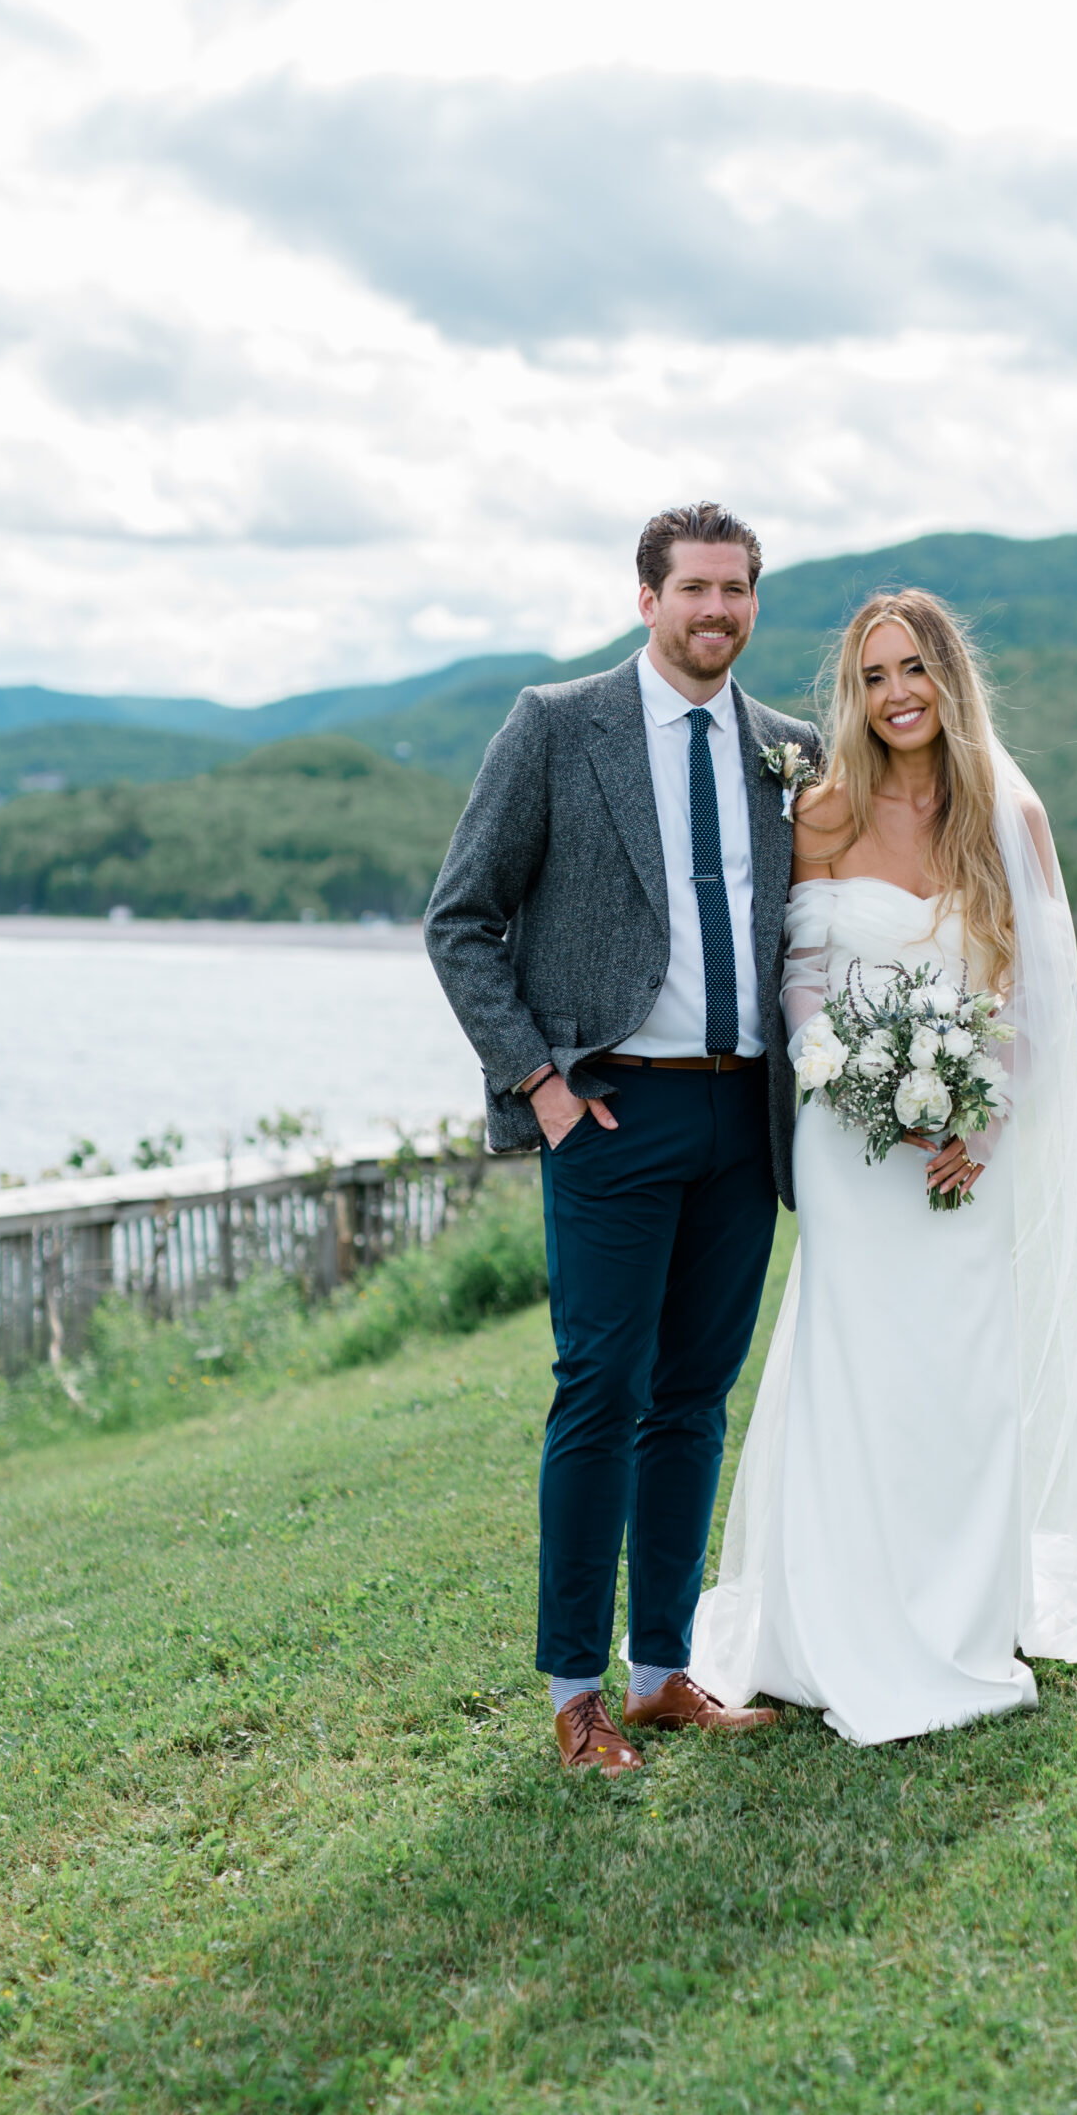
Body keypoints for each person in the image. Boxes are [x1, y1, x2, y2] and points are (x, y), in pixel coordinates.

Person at [689, 589, 1077, 1744]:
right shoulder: (824, 810)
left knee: (960, 1373)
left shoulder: (1009, 815)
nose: (895, 691)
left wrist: (983, 1121)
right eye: (872, 675)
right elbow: (801, 965)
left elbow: (1026, 992)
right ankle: (835, 1617)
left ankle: (957, 1614)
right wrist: (836, 1066)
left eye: (913, 668)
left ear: (950, 679)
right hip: (848, 1136)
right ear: (853, 695)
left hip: (968, 1139)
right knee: (851, 1364)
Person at [426, 502, 823, 1775]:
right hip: (609, 1107)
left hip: (743, 1113)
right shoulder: (559, 726)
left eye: (737, 590)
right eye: (695, 588)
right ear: (646, 596)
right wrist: (539, 1083)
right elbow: (461, 919)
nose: (717, 611)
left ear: (755, 602)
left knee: (694, 1398)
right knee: (600, 1394)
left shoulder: (792, 750)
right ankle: (573, 1692)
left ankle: (662, 1673)